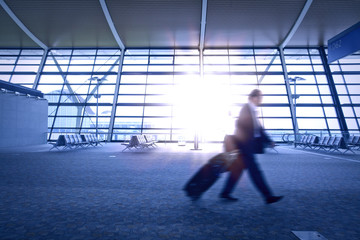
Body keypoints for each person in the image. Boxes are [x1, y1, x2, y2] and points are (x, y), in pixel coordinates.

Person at [220, 89, 283, 204]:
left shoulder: (252, 110)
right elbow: (240, 125)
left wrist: (269, 141)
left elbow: (259, 129)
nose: (261, 99)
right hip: (244, 148)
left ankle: (225, 192)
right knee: (255, 172)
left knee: (237, 170)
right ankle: (268, 196)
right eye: (259, 97)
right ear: (253, 97)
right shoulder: (247, 109)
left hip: (245, 147)